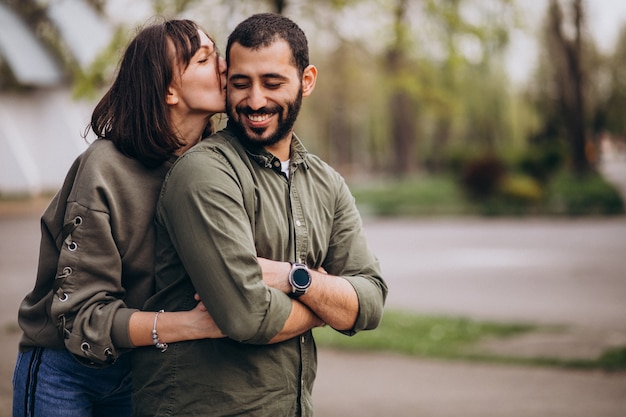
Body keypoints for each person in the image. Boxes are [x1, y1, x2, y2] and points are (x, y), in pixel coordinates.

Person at [132, 12, 388, 417]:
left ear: (306, 81)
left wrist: (291, 279)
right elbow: (247, 316)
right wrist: (325, 301)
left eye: (272, 83)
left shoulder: (326, 182)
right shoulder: (205, 173)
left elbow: (371, 301)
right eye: (240, 83)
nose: (254, 101)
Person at [12, 19, 227, 417]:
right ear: (168, 90)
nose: (224, 66)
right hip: (66, 374)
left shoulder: (217, 167)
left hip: (147, 371)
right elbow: (82, 315)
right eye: (205, 58)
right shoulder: (104, 168)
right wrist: (193, 325)